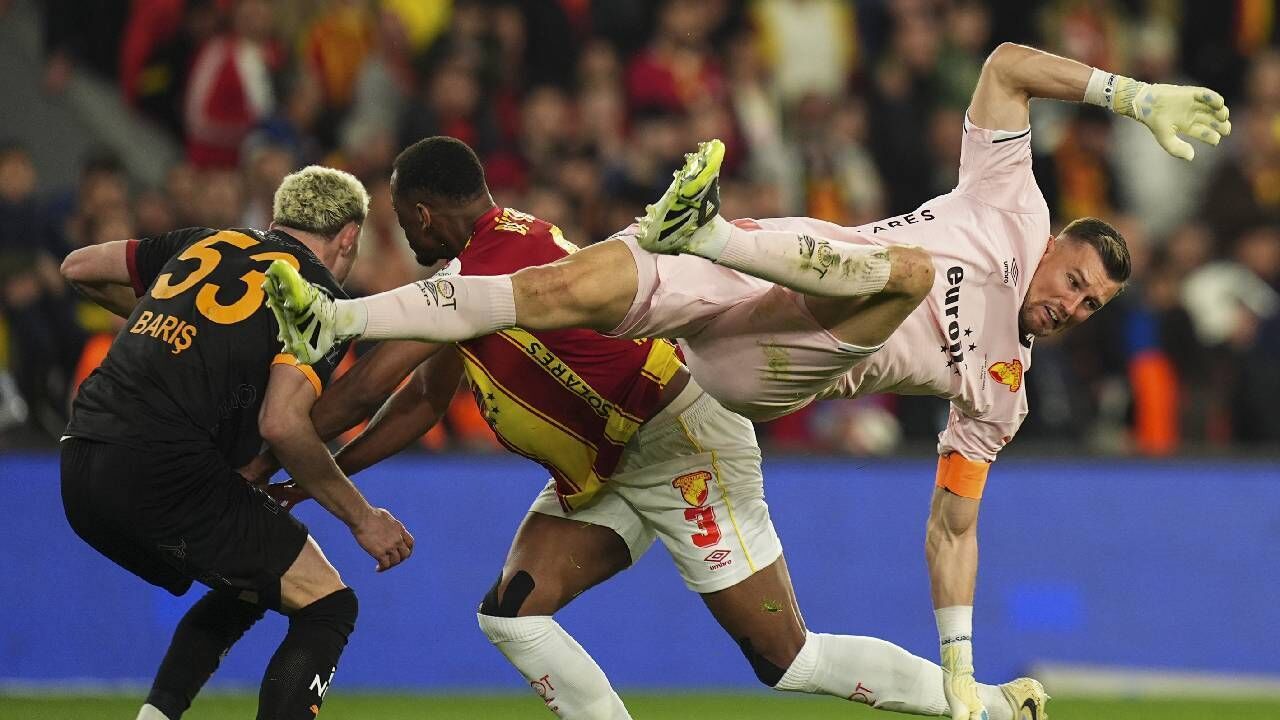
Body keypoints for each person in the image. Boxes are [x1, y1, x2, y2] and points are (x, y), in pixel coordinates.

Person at [265, 43, 1231, 720]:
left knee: (788, 656)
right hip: (740, 299)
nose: (1073, 305)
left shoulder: (1001, 392)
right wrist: (1134, 95)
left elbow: (954, 526)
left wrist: (961, 672)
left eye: (1094, 305)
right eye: (1074, 281)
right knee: (512, 595)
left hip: (768, 370)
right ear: (1053, 244)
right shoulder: (1012, 205)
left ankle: (980, 710)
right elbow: (1008, 65)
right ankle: (344, 313)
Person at [259, 135, 1046, 720]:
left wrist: (273, 455)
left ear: (425, 213)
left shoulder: (482, 271)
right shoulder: (480, 264)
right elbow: (424, 401)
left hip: (676, 440)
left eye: (404, 219)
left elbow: (366, 388)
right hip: (607, 467)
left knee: (787, 659)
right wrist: (327, 474)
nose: (404, 235)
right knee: (511, 613)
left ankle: (991, 708)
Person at [58, 166, 414, 720]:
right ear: (349, 237)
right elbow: (282, 424)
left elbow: (78, 267)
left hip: (78, 462)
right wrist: (363, 519)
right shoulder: (316, 295)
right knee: (328, 605)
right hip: (163, 469)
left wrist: (174, 318)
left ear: (276, 220)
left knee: (253, 582)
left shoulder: (208, 241)